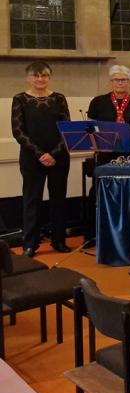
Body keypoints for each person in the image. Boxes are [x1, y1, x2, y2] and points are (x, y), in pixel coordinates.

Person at [11, 62, 71, 256]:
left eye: (44, 75)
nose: (40, 79)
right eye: (36, 76)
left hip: (59, 157)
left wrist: (53, 154)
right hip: (31, 158)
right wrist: (40, 154)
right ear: (29, 78)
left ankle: (59, 241)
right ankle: (30, 244)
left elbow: (66, 129)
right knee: (32, 201)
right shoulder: (20, 99)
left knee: (58, 200)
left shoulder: (59, 98)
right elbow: (18, 131)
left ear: (49, 78)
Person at [87, 64, 130, 166]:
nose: (120, 83)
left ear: (129, 82)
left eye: (123, 80)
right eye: (116, 80)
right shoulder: (97, 101)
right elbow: (90, 127)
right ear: (111, 82)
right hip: (106, 151)